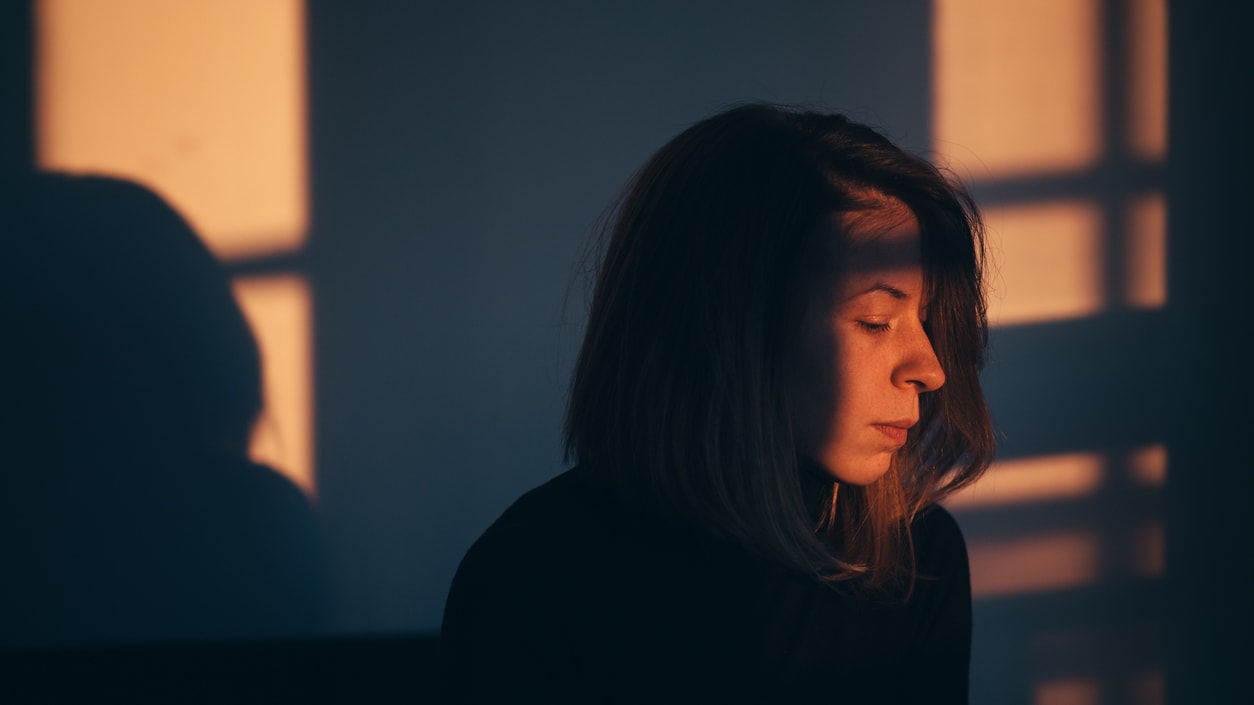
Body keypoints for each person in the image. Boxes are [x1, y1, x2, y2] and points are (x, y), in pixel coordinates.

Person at [441, 104, 994, 704]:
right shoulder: (530, 577)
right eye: (876, 320)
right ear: (730, 325)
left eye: (925, 320)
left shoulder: (913, 563)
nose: (931, 369)